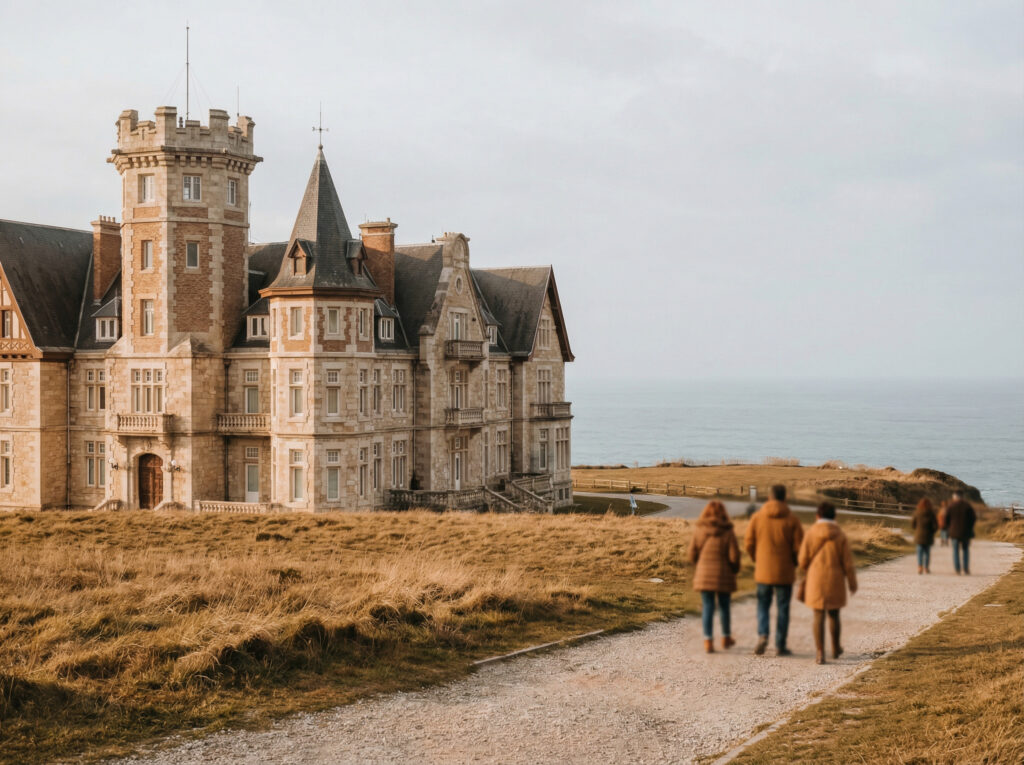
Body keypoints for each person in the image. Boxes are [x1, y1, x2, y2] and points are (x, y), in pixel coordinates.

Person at [744, 484, 804, 656]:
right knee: (783, 608)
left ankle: (763, 635)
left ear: (769, 497)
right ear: (785, 498)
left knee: (763, 605)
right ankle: (780, 644)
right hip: (784, 572)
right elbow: (799, 548)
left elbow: (748, 543)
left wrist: (758, 559)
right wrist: (793, 562)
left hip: (763, 571)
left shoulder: (757, 518)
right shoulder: (792, 520)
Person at [798, 502, 857, 665]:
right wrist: (852, 583)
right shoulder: (840, 535)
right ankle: (836, 648)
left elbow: (802, 560)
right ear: (834, 516)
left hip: (815, 579)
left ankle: (820, 653)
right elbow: (847, 563)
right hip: (835, 579)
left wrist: (807, 569)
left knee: (818, 615)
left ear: (817, 516)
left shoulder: (810, 533)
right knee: (834, 615)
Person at [688, 500, 741, 653]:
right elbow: (734, 556)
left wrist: (699, 565)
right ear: (723, 513)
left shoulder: (699, 529)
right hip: (723, 574)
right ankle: (725, 638)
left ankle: (708, 641)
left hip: (704, 573)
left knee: (708, 607)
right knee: (724, 607)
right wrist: (735, 570)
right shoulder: (728, 531)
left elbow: (692, 553)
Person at [945, 490, 977, 575]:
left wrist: (949, 527)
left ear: (954, 497)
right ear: (962, 496)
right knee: (965, 550)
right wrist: (970, 527)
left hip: (954, 532)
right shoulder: (967, 506)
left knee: (955, 551)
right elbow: (973, 519)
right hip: (965, 532)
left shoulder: (950, 506)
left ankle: (957, 569)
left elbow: (946, 519)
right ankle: (966, 569)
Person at [911, 498, 939, 574]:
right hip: (928, 536)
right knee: (927, 553)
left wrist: (917, 529)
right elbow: (935, 526)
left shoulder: (917, 513)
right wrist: (932, 532)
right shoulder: (932, 514)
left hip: (919, 536)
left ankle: (920, 567)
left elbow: (913, 524)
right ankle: (926, 568)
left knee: (920, 552)